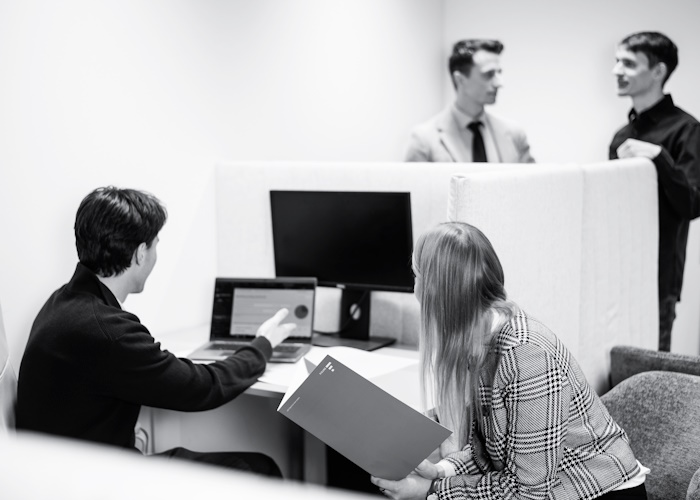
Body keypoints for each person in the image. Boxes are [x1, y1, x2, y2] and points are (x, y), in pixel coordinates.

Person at [15, 186, 295, 476]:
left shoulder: (63, 301)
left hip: (56, 470)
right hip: (92, 480)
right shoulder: (107, 330)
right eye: (155, 245)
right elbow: (203, 387)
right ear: (140, 253)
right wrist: (263, 345)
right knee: (259, 470)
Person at [371, 222, 648, 499]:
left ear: (437, 292)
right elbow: (493, 450)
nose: (415, 287)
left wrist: (432, 491)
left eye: (416, 275)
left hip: (599, 491)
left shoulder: (526, 357)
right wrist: (442, 471)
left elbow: (527, 492)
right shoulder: (479, 340)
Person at [609, 31, 700, 352]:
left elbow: (692, 204)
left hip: (660, 280)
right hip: (617, 272)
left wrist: (659, 158)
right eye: (617, 61)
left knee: (653, 368)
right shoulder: (621, 137)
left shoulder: (687, 130)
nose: (617, 70)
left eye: (628, 63)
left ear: (658, 71)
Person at [405, 39, 534, 164]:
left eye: (499, 73)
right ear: (460, 80)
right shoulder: (424, 140)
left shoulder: (515, 134)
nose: (499, 83)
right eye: (489, 74)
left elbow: (531, 178)